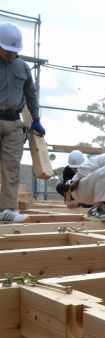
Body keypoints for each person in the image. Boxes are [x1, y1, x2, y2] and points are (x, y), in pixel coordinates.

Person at [0, 22, 44, 223]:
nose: (10, 55)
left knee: (11, 169)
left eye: (13, 51)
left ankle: (7, 210)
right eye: (7, 50)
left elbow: (31, 94)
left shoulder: (22, 67)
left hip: (13, 124)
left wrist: (35, 119)